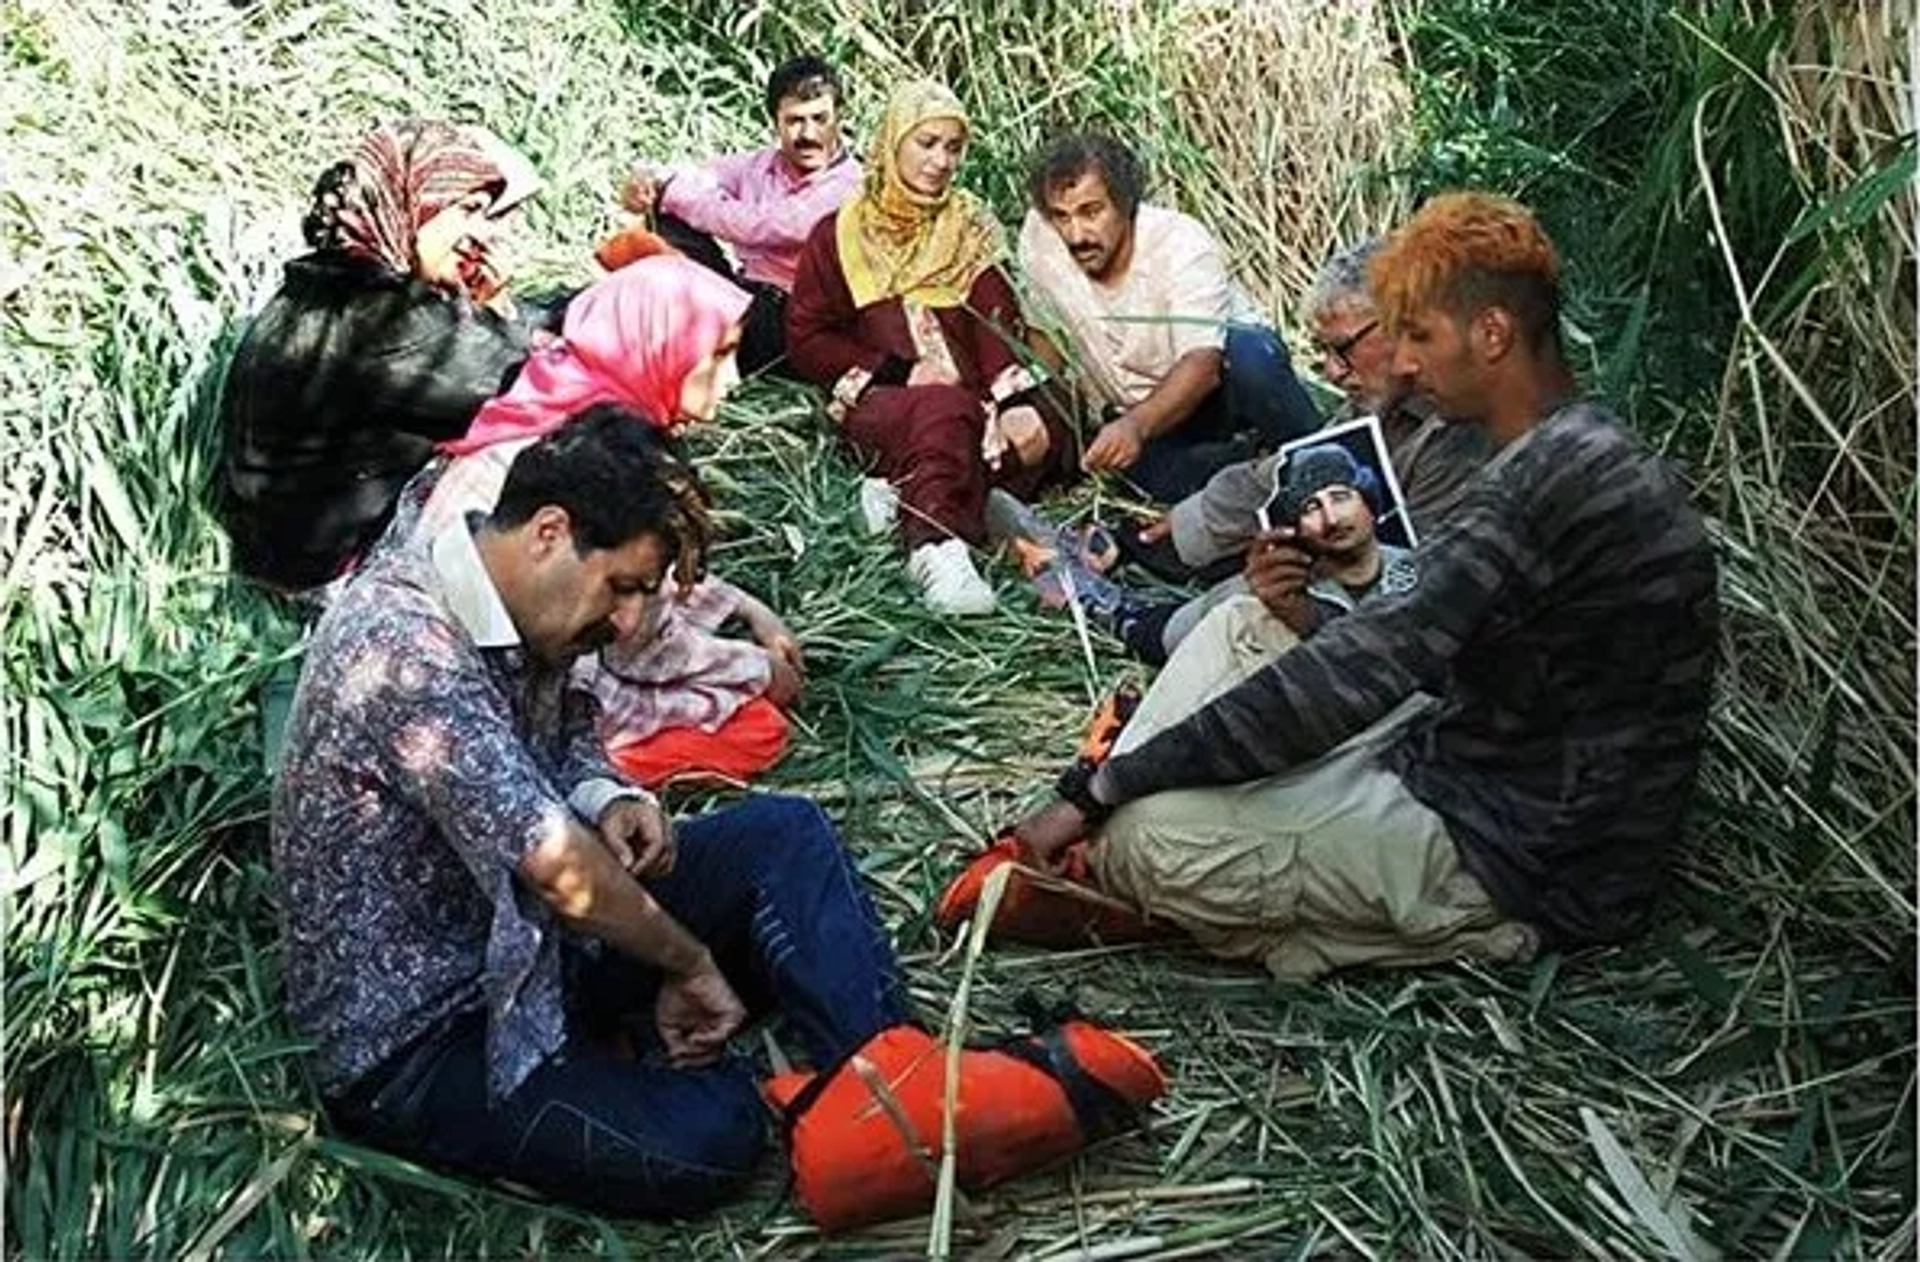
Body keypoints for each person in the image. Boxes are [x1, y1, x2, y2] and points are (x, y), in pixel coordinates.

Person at [1011, 192, 1719, 981]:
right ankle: (1174, 841)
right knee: (1245, 625)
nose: (1406, 361)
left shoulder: (1539, 487)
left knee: (1144, 840)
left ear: (1492, 335)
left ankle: (1463, 932)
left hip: (1520, 856)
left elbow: (1351, 679)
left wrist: (1099, 791)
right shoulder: (1564, 446)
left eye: (1419, 335)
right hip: (1459, 747)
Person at [274, 412, 910, 1216]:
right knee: (714, 1140)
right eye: (625, 587)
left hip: (536, 948)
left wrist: (611, 796)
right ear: (550, 532)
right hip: (431, 1035)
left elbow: (574, 739)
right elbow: (558, 865)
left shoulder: (532, 617)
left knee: (785, 837)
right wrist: (687, 962)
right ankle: (664, 1054)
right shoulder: (403, 646)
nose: (631, 624)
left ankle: (898, 1086)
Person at [404, 255, 804, 788]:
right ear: (660, 345)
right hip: (505, 679)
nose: (731, 380)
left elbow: (631, 578)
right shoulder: (606, 460)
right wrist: (759, 671)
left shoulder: (556, 393)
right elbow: (639, 638)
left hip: (480, 645)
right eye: (720, 355)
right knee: (760, 729)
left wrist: (742, 606)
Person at [997, 235, 1487, 663]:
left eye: (1343, 349)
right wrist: (1188, 522)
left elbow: (1392, 595)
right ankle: (1124, 546)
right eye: (1324, 354)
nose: (1334, 372)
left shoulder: (1467, 434)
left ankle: (1127, 620)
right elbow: (1281, 474)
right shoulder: (1387, 397)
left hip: (1408, 634)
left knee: (1263, 596)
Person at [219, 118, 553, 594]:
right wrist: (500, 309)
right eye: (470, 210)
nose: (483, 236)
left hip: (268, 542)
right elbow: (526, 384)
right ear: (412, 201)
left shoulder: (329, 279)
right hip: (321, 576)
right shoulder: (389, 324)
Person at [787, 79, 1075, 616]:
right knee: (945, 411)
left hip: (976, 402)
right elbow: (806, 339)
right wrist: (899, 369)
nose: (941, 161)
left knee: (1056, 414)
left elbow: (996, 321)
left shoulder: (967, 224)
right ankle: (935, 547)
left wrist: (1012, 403)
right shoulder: (841, 233)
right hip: (886, 399)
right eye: (927, 144)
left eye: (953, 146)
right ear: (892, 142)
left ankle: (901, 491)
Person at [1018, 132, 1320, 502]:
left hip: (1217, 394)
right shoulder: (1040, 239)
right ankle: (1253, 469)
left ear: (1126, 203)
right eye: (1061, 217)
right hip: (1142, 422)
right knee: (1155, 480)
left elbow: (1202, 364)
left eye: (1091, 212)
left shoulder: (1180, 243)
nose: (1076, 234)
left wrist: (1135, 426)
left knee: (1252, 356)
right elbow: (1043, 339)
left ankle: (1320, 459)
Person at [618, 55, 861, 377]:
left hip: (795, 325)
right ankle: (614, 324)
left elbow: (763, 227)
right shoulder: (761, 165)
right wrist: (651, 181)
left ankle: (646, 336)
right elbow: (697, 174)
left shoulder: (851, 184)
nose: (808, 134)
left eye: (820, 119)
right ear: (774, 120)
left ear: (839, 117)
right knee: (665, 226)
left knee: (675, 280)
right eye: (794, 121)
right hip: (747, 295)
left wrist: (672, 193)